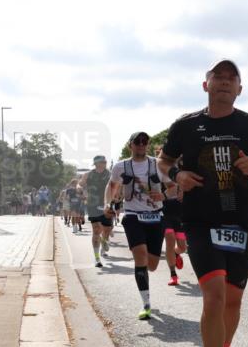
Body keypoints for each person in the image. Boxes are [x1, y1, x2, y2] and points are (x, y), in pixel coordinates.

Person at [159, 59, 248, 347]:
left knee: (232, 301)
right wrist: (175, 176)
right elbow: (164, 162)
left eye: (232, 78)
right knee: (212, 296)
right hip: (200, 220)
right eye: (218, 77)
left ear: (240, 88)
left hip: (240, 223)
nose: (225, 82)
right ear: (206, 85)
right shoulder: (186, 126)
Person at [105, 132, 166, 319]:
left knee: (153, 265)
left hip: (156, 215)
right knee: (140, 256)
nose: (141, 145)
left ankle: (144, 271)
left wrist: (163, 195)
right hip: (132, 215)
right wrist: (108, 204)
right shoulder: (120, 166)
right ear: (130, 145)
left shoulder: (158, 164)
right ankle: (146, 303)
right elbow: (112, 186)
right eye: (137, 142)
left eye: (144, 142)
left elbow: (173, 187)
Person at [79, 155, 112, 267]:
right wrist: (79, 188)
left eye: (105, 161)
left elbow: (117, 184)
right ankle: (97, 258)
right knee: (96, 230)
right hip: (93, 204)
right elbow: (80, 183)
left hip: (107, 204)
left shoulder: (110, 174)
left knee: (107, 229)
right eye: (102, 161)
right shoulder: (88, 175)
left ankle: (104, 240)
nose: (104, 163)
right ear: (96, 163)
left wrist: (118, 196)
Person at [162, 174, 187, 287]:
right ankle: (173, 275)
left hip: (180, 214)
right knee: (170, 241)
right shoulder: (159, 172)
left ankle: (176, 253)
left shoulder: (182, 171)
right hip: (165, 213)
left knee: (182, 248)